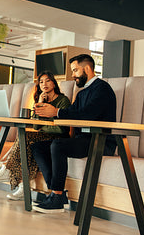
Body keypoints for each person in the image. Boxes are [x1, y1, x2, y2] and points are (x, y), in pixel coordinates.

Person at [32, 54, 116, 213]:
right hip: (83, 139)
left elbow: (87, 114)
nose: (73, 75)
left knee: (58, 145)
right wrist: (49, 111)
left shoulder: (102, 89)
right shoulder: (83, 93)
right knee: (38, 147)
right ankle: (57, 193)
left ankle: (56, 197)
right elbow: (71, 112)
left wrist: (56, 111)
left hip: (100, 141)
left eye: (75, 70)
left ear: (87, 69)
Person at [4, 72, 71, 201]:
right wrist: (39, 102)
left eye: (47, 81)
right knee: (29, 141)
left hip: (59, 138)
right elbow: (35, 126)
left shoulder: (63, 100)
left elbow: (60, 128)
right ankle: (24, 186)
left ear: (53, 83)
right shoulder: (41, 100)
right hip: (44, 137)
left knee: (27, 137)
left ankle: (9, 171)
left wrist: (43, 126)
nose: (44, 84)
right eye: (41, 82)